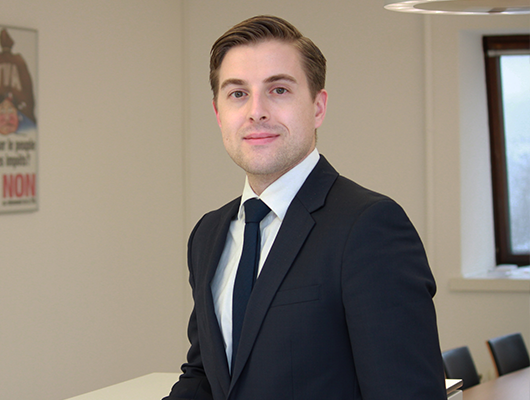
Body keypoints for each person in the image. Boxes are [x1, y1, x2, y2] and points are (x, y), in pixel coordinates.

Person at [164, 15, 446, 400]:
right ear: (218, 113)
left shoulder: (369, 227)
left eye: (279, 90)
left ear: (318, 107)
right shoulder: (208, 234)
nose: (256, 111)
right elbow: (205, 378)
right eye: (238, 94)